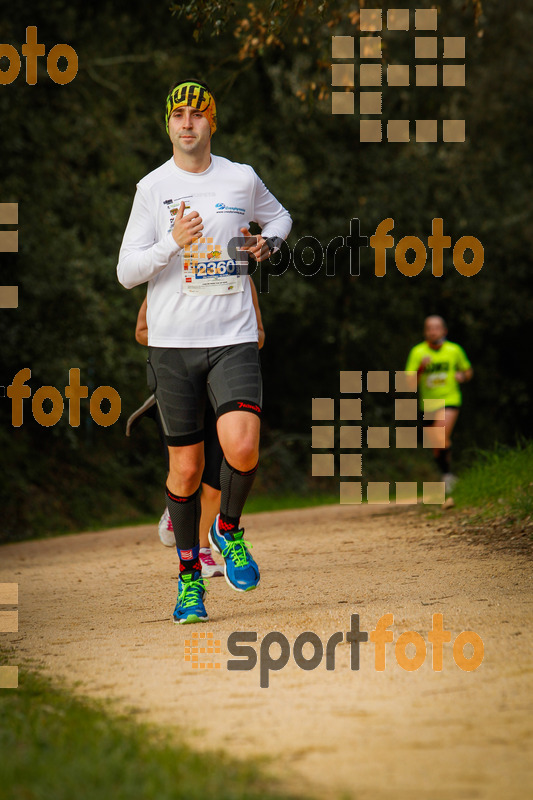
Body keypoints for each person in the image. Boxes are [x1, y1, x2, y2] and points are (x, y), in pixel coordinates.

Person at [117, 79, 291, 623]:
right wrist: (173, 242)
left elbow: (280, 216)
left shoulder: (241, 179)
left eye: (197, 114)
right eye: (179, 115)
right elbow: (126, 272)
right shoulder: (152, 188)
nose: (188, 122)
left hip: (233, 335)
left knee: (241, 447)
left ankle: (229, 529)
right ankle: (190, 580)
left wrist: (272, 243)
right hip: (174, 345)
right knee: (187, 471)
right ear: (167, 125)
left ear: (212, 123)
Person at [129, 289, 266, 579]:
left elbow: (258, 335)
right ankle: (179, 515)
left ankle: (204, 546)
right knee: (188, 470)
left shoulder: (238, 275)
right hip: (181, 388)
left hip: (223, 389)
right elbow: (142, 331)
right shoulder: (170, 275)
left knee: (217, 476)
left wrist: (225, 343)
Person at [405, 315, 473, 493]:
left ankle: (448, 478)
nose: (433, 331)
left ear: (444, 331)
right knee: (437, 445)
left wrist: (462, 376)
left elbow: (468, 371)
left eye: (436, 328)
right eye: (429, 328)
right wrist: (421, 368)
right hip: (427, 404)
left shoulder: (454, 350)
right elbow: (409, 384)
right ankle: (447, 474)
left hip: (450, 399)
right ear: (425, 332)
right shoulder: (418, 352)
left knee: (441, 434)